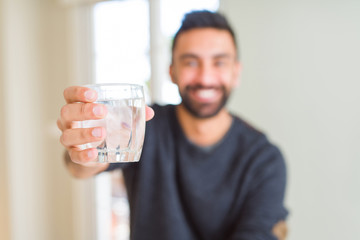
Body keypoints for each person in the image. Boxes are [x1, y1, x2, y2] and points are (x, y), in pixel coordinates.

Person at [58, 10, 288, 240]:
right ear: (172, 72)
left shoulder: (264, 158)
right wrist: (85, 150)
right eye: (190, 62)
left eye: (219, 62)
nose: (205, 78)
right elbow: (77, 168)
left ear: (236, 72)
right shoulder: (145, 125)